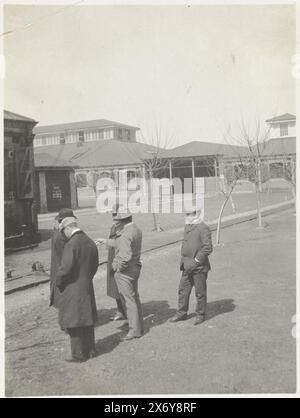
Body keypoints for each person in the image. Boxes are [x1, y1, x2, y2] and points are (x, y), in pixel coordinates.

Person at [56, 216, 99, 362]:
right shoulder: (90, 241)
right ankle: (91, 350)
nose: (64, 234)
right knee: (87, 318)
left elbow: (65, 269)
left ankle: (78, 354)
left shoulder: (71, 244)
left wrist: (59, 282)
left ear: (68, 228)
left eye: (63, 231)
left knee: (73, 321)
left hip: (72, 288)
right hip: (87, 286)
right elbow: (95, 265)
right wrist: (87, 279)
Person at [170, 207, 213, 325]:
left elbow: (207, 248)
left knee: (200, 292)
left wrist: (196, 261)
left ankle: (200, 314)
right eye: (186, 214)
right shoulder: (188, 226)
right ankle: (181, 313)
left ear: (196, 214)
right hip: (186, 266)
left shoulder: (203, 228)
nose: (187, 216)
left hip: (199, 267)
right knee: (183, 290)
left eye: (190, 214)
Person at [112, 206, 143, 341]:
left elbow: (125, 256)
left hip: (125, 271)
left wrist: (116, 267)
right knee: (134, 298)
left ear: (122, 220)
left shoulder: (125, 233)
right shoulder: (135, 229)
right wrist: (106, 241)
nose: (116, 222)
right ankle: (137, 324)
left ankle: (134, 331)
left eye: (117, 219)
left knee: (129, 301)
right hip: (135, 268)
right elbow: (123, 244)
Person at [50, 208, 76, 309]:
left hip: (58, 266)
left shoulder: (57, 232)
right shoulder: (62, 236)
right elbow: (66, 256)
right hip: (62, 268)